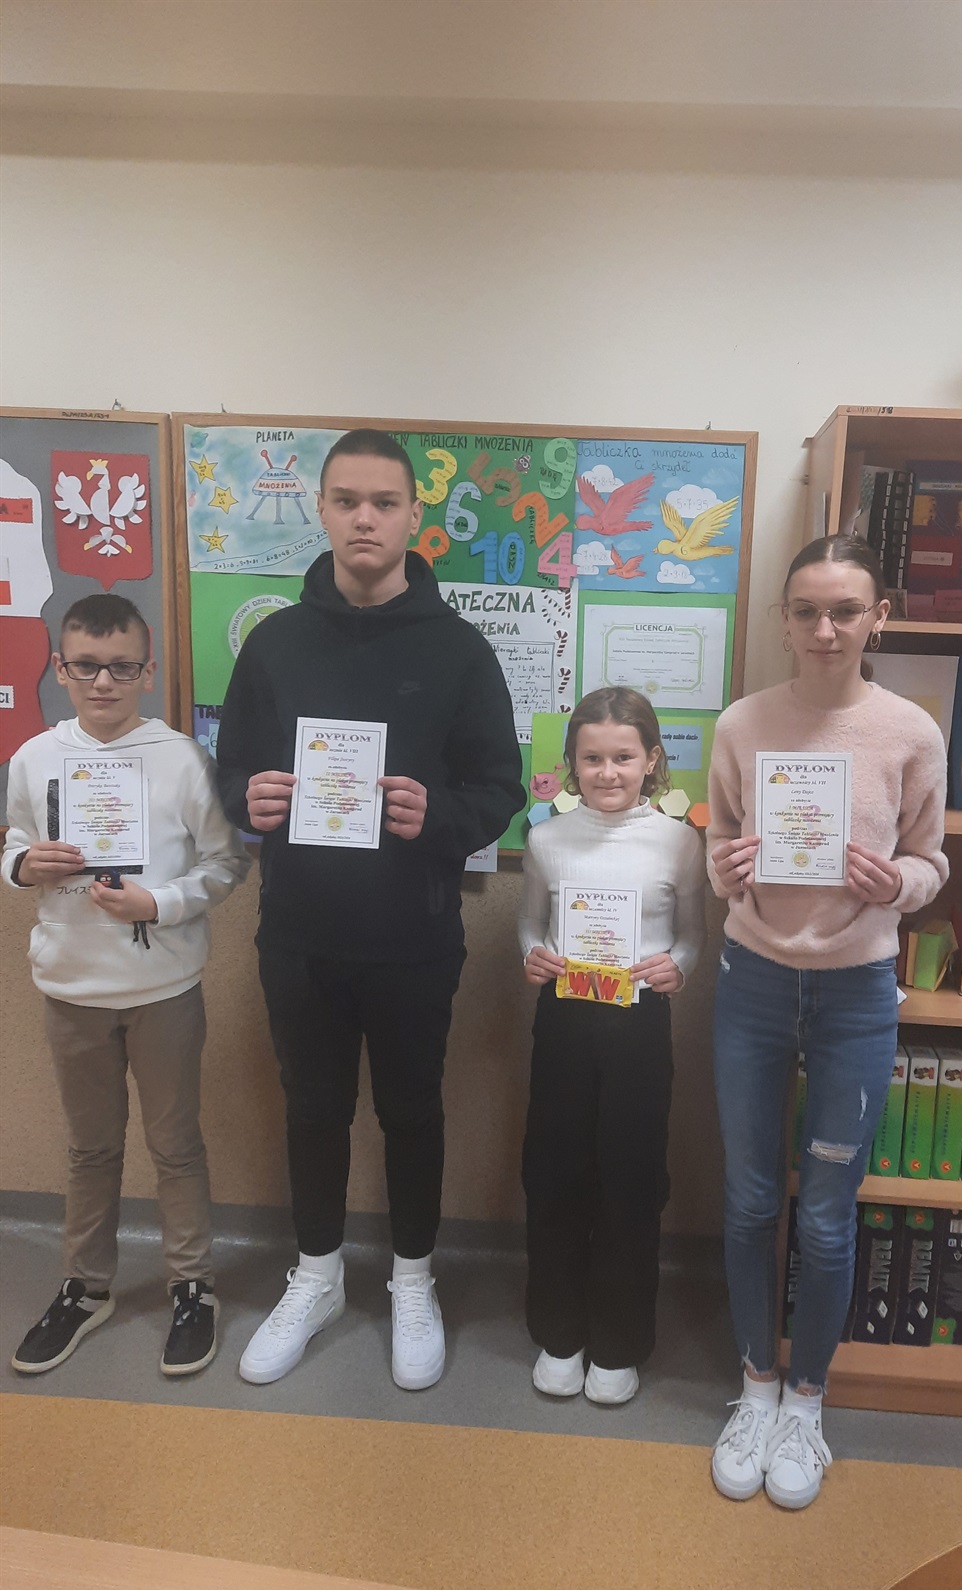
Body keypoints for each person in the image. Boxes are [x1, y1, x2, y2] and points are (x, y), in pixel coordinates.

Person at [215, 428, 524, 1391]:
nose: (364, 519)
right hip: (300, 934)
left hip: (413, 937)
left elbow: (500, 787)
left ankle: (413, 1279)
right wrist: (248, 800)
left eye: (384, 503)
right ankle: (315, 1277)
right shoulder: (275, 643)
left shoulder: (459, 649)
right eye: (346, 500)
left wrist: (441, 818)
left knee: (412, 1111)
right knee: (312, 1109)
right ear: (321, 509)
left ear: (412, 516)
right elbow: (231, 770)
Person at [706, 535, 948, 1509]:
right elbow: (723, 844)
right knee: (750, 1201)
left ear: (877, 617)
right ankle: (755, 1386)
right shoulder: (742, 724)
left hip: (856, 993)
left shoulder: (909, 732)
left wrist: (899, 884)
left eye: (846, 610)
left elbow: (933, 860)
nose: (825, 629)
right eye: (806, 610)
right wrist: (724, 866)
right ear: (783, 618)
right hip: (754, 981)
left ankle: (807, 1399)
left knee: (826, 1211)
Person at [3, 593, 249, 1377]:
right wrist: (22, 865)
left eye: (120, 667)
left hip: (162, 987)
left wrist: (160, 904)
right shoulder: (34, 757)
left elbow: (226, 863)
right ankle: (86, 1287)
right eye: (85, 667)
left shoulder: (181, 759)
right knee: (89, 1149)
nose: (102, 682)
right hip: (71, 989)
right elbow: (13, 843)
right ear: (60, 669)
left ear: (148, 670)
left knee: (175, 1147)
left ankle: (192, 1286)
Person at [517, 688, 707, 1404]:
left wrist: (679, 967)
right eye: (592, 758)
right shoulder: (547, 839)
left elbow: (693, 933)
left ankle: (620, 1341)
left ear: (651, 760)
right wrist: (532, 953)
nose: (607, 772)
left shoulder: (678, 841)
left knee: (631, 1177)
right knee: (555, 1172)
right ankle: (559, 1332)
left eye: (623, 757)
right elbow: (528, 924)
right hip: (564, 1021)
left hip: (639, 1025)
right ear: (571, 763)